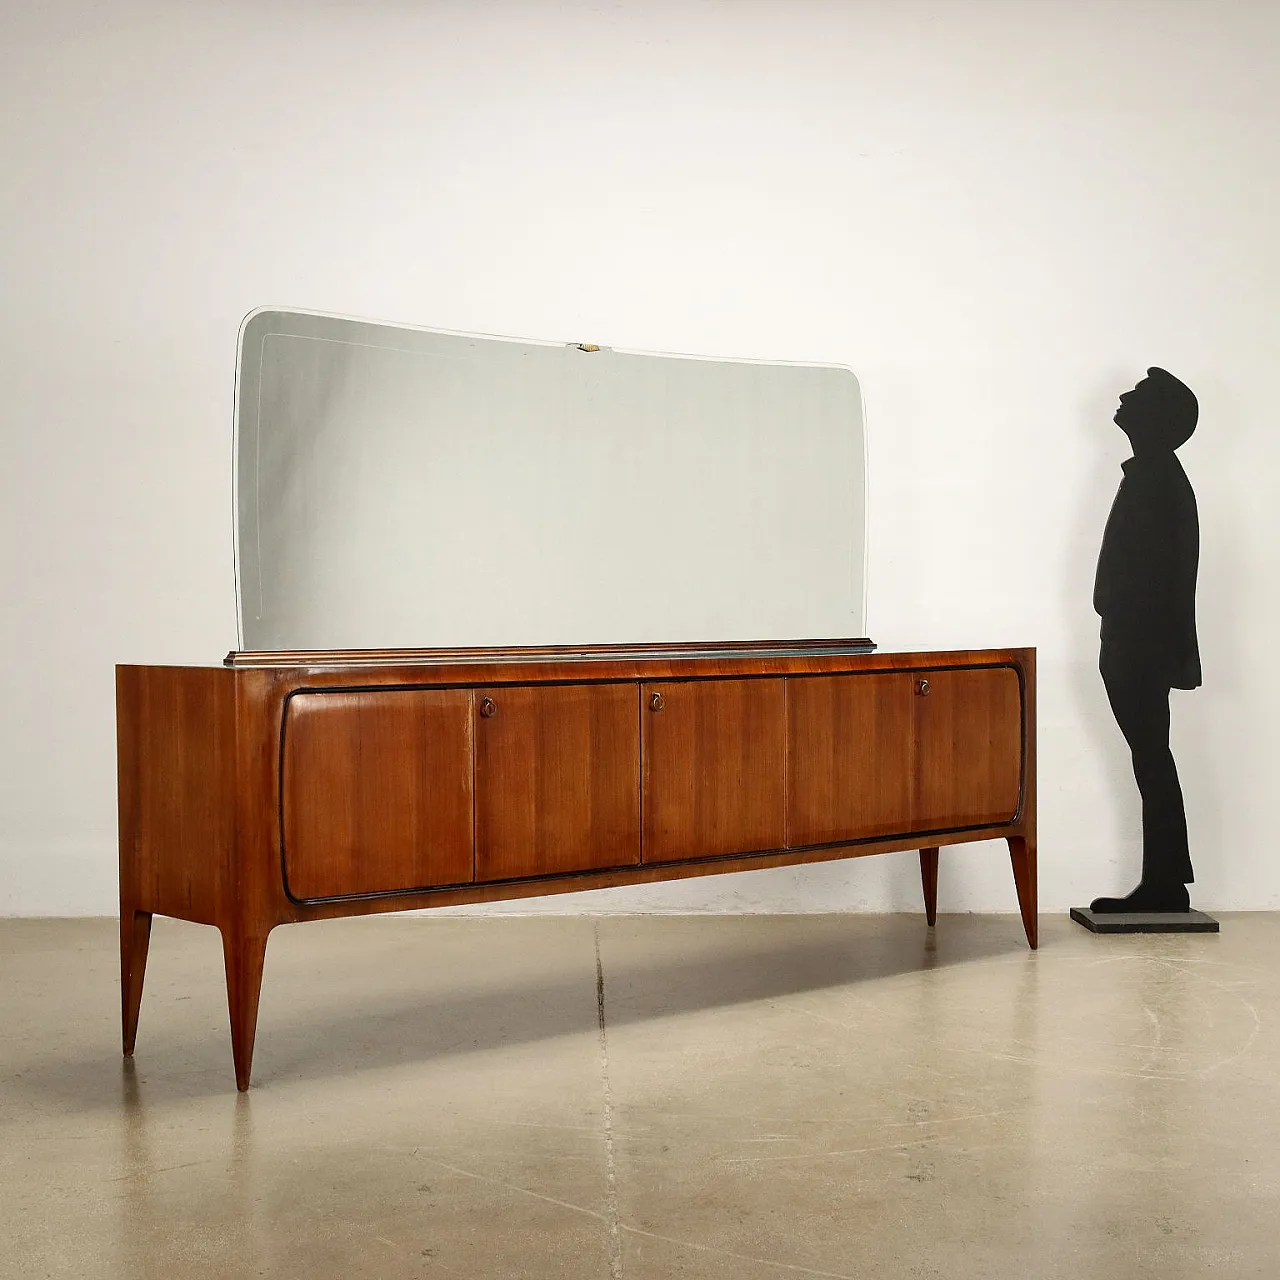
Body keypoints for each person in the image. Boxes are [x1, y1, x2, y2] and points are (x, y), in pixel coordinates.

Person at [1089, 367, 1200, 914]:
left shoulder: (1157, 478)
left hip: (1141, 644)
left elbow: (1161, 576)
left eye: (1135, 395)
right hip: (1136, 640)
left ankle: (1166, 882)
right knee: (1151, 756)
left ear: (1155, 418)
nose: (1122, 396)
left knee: (1151, 756)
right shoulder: (1153, 475)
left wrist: (1128, 629)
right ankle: (1165, 879)